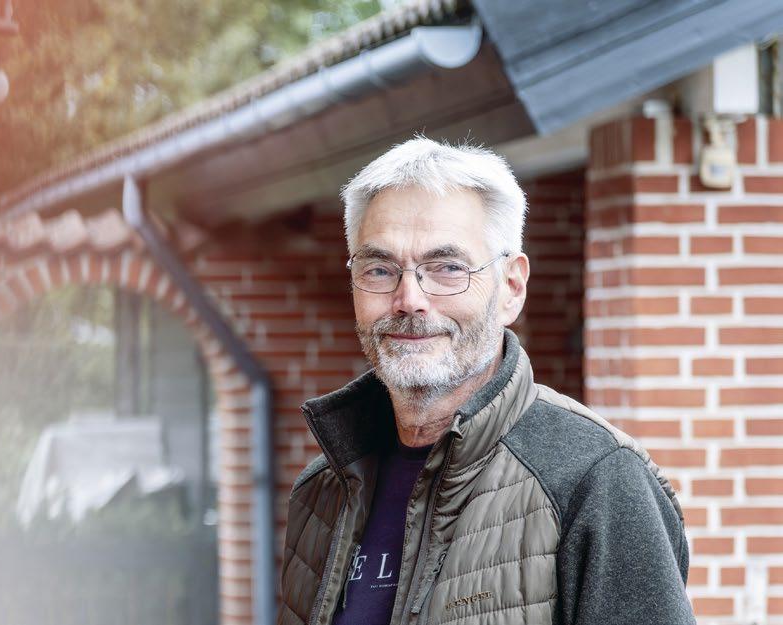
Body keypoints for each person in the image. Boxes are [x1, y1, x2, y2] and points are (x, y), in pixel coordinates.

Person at [275, 137, 694, 625]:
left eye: (448, 268)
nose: (409, 299)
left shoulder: (596, 479)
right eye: (380, 269)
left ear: (511, 288)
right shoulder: (323, 490)